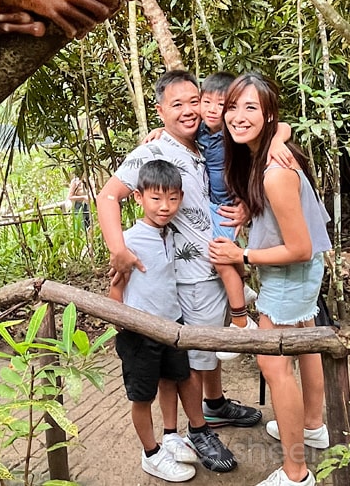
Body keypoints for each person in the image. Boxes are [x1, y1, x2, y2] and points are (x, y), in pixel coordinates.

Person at [98, 70, 258, 474]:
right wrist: (118, 250)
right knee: (192, 357)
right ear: (161, 110)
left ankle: (214, 407)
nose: (188, 111)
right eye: (177, 104)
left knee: (201, 352)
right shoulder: (155, 151)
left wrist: (242, 208)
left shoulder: (204, 143)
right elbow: (108, 196)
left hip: (213, 262)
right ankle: (196, 429)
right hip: (188, 275)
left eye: (194, 101)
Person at [209, 73, 333, 486]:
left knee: (274, 366)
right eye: (233, 107)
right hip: (303, 271)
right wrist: (250, 209)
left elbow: (296, 247)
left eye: (250, 108)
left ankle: (296, 473)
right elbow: (283, 129)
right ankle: (312, 425)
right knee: (308, 342)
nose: (238, 116)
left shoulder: (275, 171)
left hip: (290, 273)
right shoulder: (268, 152)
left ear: (267, 114)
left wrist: (240, 253)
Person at [197, 72, 294, 361]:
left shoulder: (235, 133)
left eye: (221, 104)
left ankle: (240, 320)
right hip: (215, 207)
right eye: (207, 103)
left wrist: (278, 142)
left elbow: (282, 124)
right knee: (221, 257)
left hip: (229, 207)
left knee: (221, 257)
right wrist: (158, 133)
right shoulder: (201, 129)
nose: (213, 110)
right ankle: (244, 292)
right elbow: (176, 127)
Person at [114, 159, 201, 482]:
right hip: (140, 331)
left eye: (173, 198)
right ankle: (150, 453)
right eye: (156, 198)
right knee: (142, 395)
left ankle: (170, 435)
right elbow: (116, 286)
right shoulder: (129, 240)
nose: (165, 206)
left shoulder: (172, 234)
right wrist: (121, 324)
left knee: (172, 380)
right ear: (138, 197)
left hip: (171, 325)